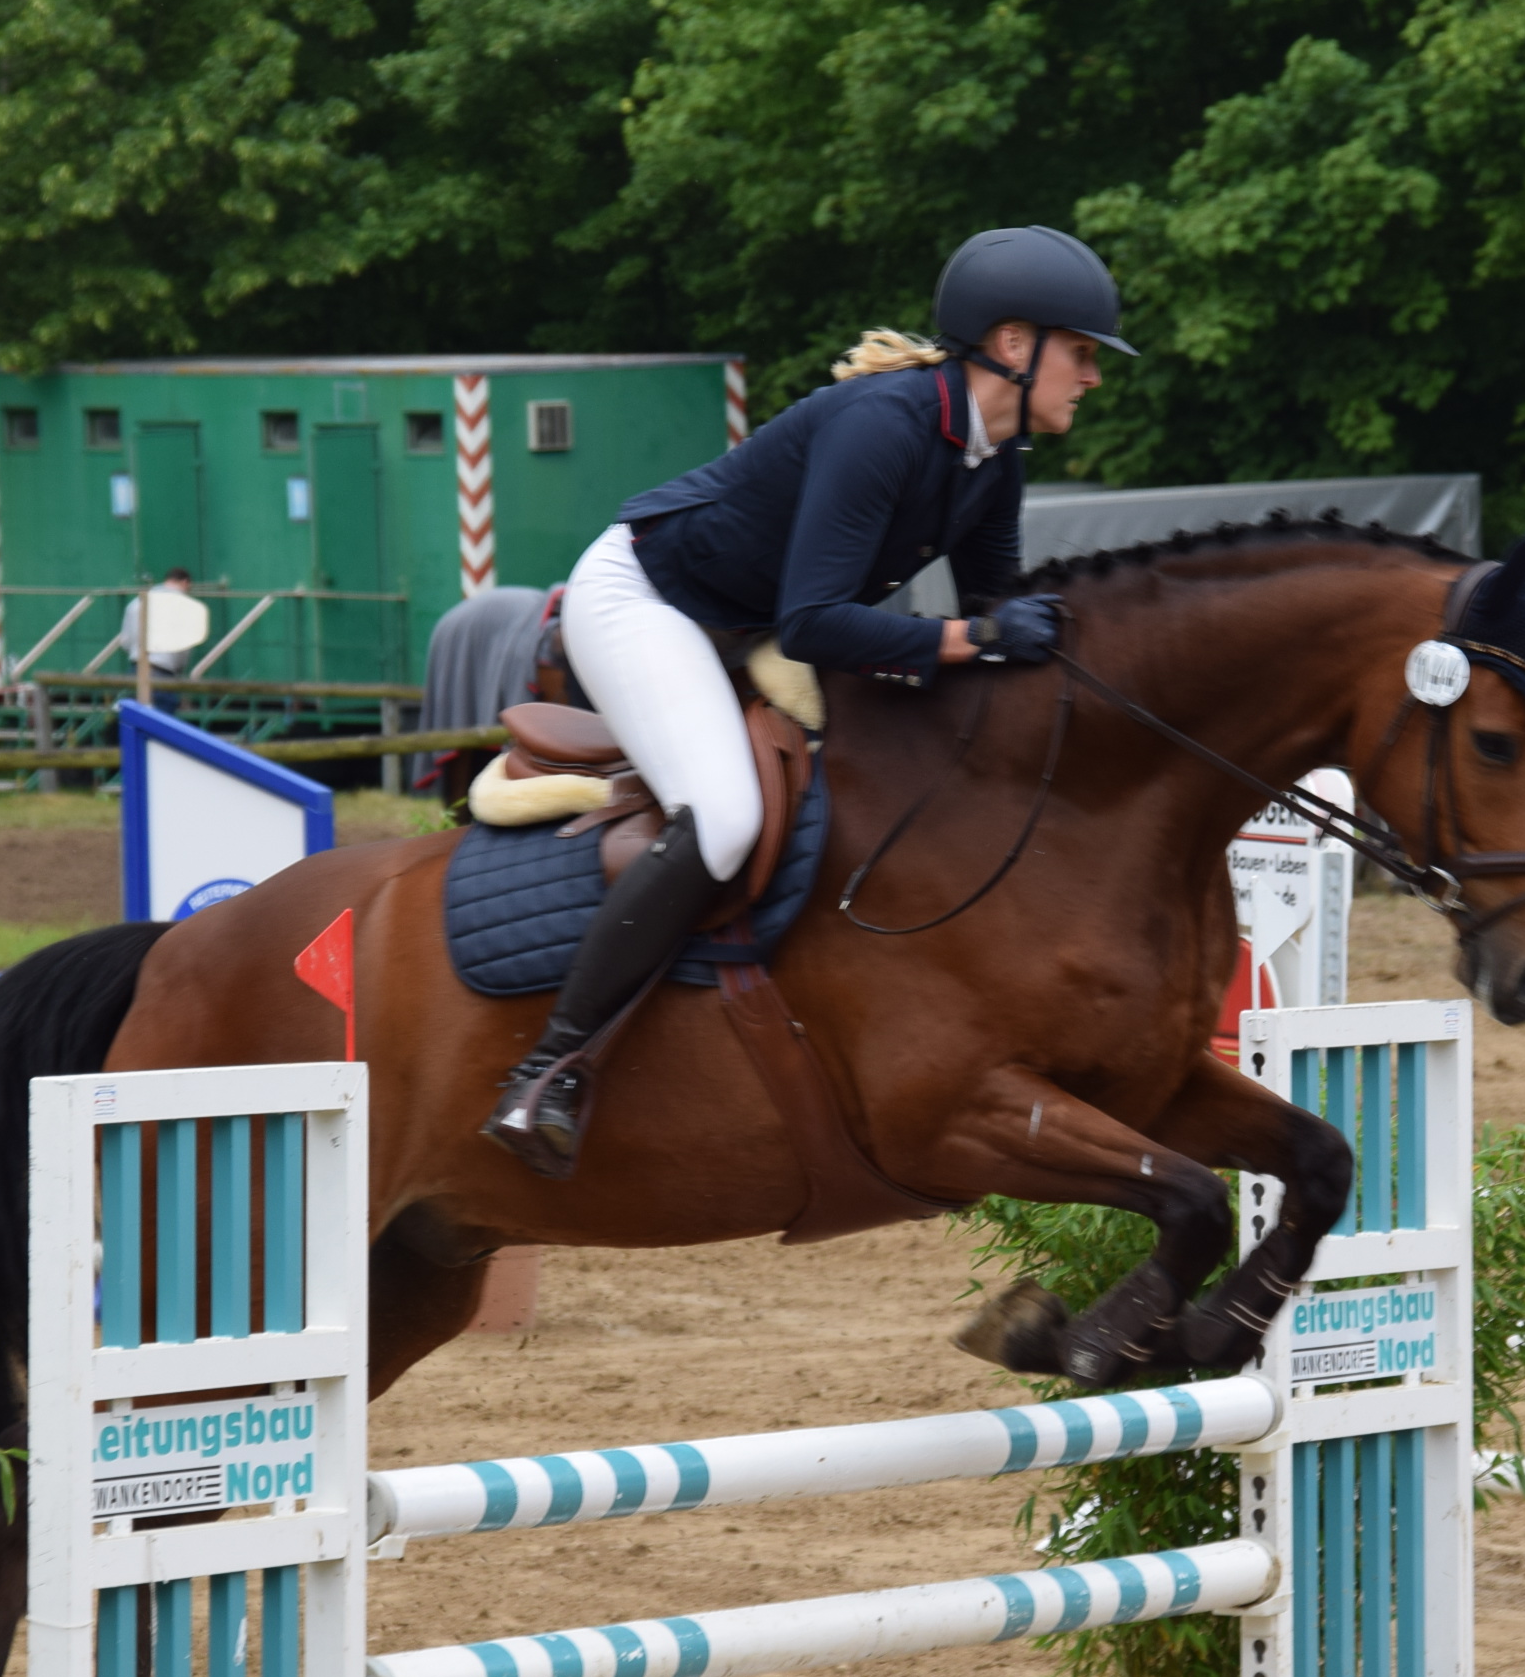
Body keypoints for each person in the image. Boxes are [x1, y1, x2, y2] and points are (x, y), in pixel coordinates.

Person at [482, 224, 1130, 1174]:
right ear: (1014, 345)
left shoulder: (993, 457)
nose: (1095, 378)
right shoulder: (886, 426)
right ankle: (548, 1071)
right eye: (1083, 353)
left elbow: (998, 607)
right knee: (728, 821)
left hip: (751, 629)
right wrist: (977, 640)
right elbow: (824, 622)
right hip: (649, 603)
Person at [122, 568, 200, 708]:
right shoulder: (184, 606)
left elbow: (125, 642)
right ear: (185, 582)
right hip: (163, 672)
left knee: (135, 720)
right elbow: (183, 650)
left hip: (135, 669)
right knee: (159, 722)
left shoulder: (136, 602)